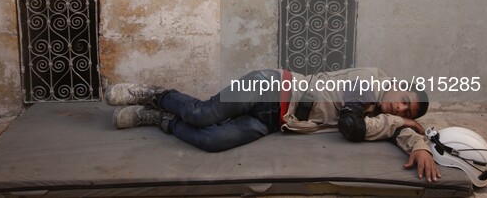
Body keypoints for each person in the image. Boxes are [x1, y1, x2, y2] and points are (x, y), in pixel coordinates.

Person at [106, 67, 441, 182]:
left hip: (275, 120)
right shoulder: (370, 81)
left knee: (212, 140)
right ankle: (153, 94)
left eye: (406, 107)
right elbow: (350, 125)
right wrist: (398, 121)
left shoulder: (382, 115)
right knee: (202, 115)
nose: (400, 104)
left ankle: (159, 120)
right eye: (404, 97)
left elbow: (396, 131)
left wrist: (419, 144)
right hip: (270, 85)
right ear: (397, 84)